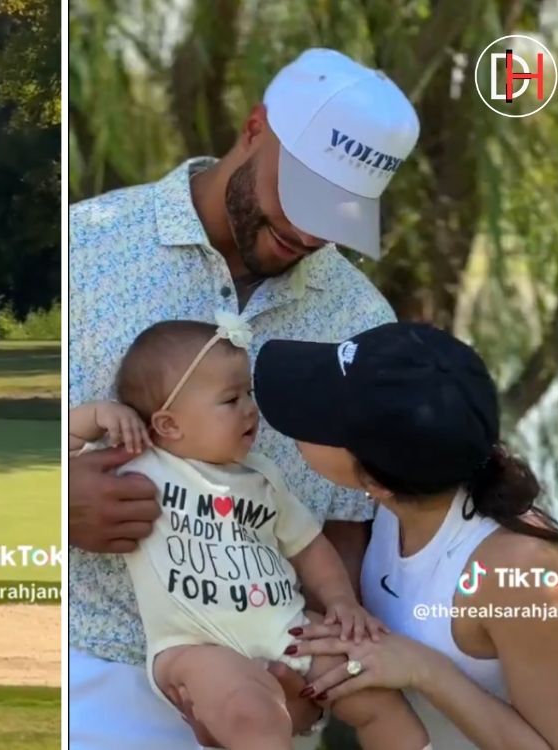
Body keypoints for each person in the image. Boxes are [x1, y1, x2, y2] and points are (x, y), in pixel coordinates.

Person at [68, 48, 419, 748]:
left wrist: (307, 684)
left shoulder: (361, 324)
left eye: (341, 213)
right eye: (304, 195)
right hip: (87, 672)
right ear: (256, 126)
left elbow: (348, 522)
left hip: (271, 684)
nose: (311, 232)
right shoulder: (85, 247)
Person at [69, 315, 430, 750]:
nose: (250, 409)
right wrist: (98, 415)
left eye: (249, 394)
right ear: (169, 425)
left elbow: (309, 546)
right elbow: (64, 448)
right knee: (249, 714)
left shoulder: (263, 476)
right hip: (196, 643)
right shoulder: (141, 464)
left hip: (287, 627)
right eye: (231, 399)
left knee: (373, 692)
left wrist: (340, 603)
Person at [253, 321, 558, 750]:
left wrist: (425, 670)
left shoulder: (520, 570)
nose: (303, 415)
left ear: (377, 481)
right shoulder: (393, 503)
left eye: (323, 417)